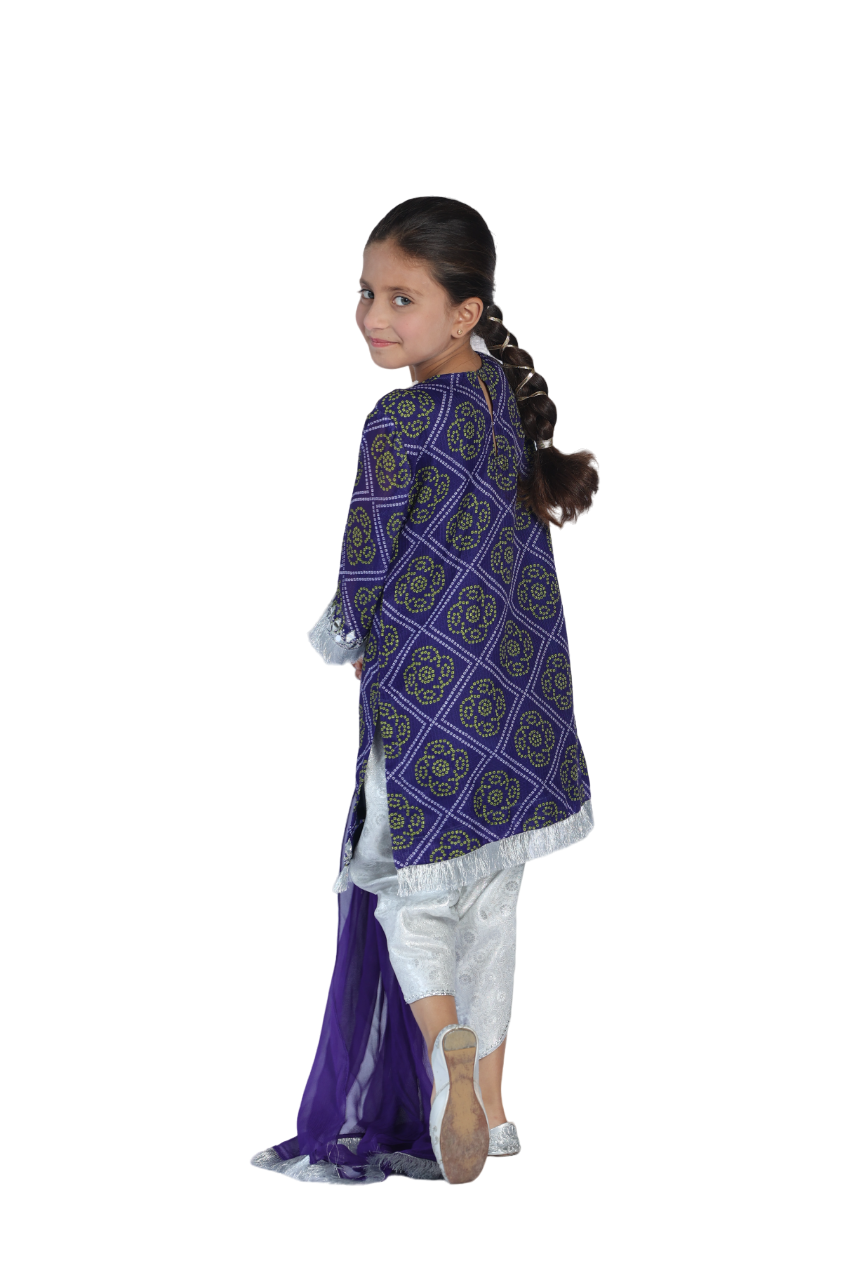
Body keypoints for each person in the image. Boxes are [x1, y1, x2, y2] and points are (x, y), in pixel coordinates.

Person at [252, 196, 598, 1185]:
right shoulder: (499, 396)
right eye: (366, 292)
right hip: (523, 700)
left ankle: (445, 1050)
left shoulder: (399, 418)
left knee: (410, 896)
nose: (373, 316)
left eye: (402, 297)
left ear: (464, 312)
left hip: (431, 705)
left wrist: (347, 637)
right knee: (492, 899)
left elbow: (366, 555)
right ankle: (492, 1105)